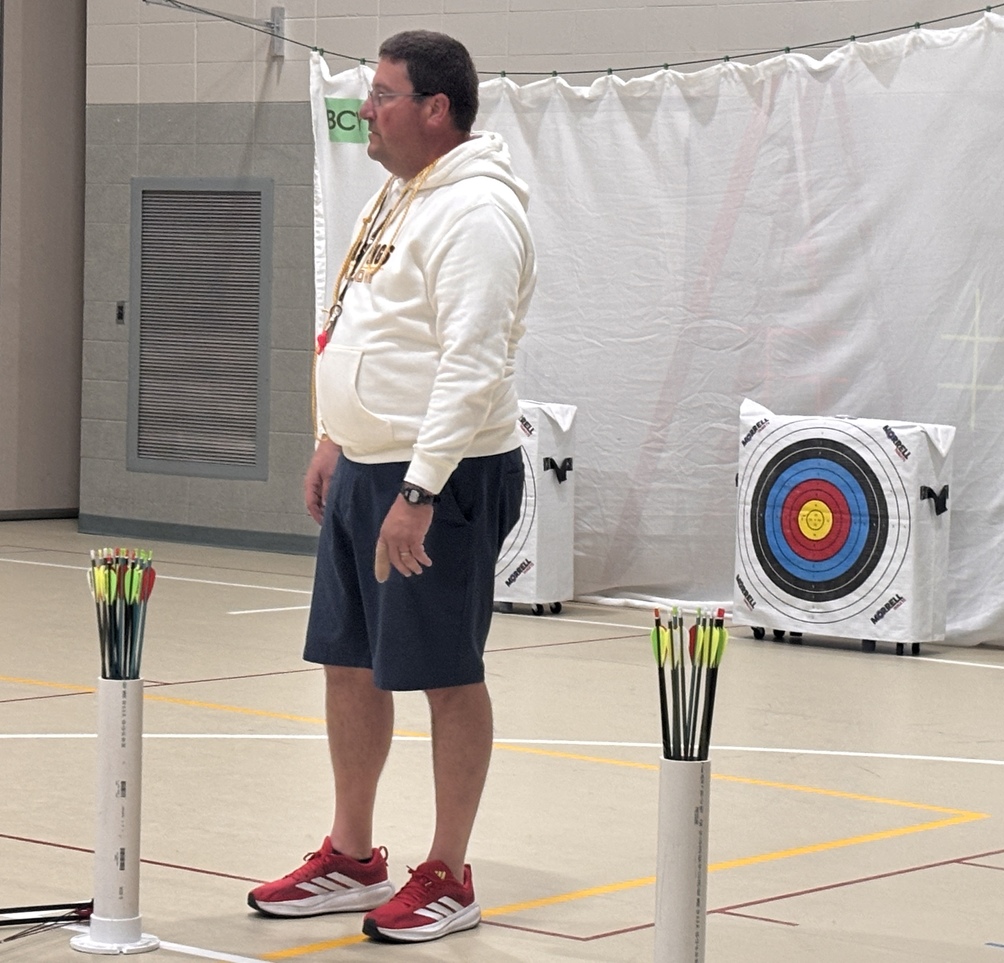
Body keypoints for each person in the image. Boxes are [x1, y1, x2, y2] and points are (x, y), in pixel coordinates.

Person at [247, 31, 536, 945]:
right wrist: (336, 434)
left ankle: (449, 872)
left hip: (437, 480)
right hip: (368, 470)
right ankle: (352, 854)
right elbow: (364, 322)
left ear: (436, 109)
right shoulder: (400, 196)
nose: (366, 109)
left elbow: (470, 366)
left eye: (382, 94)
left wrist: (419, 488)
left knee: (445, 672)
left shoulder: (477, 212)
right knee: (350, 659)